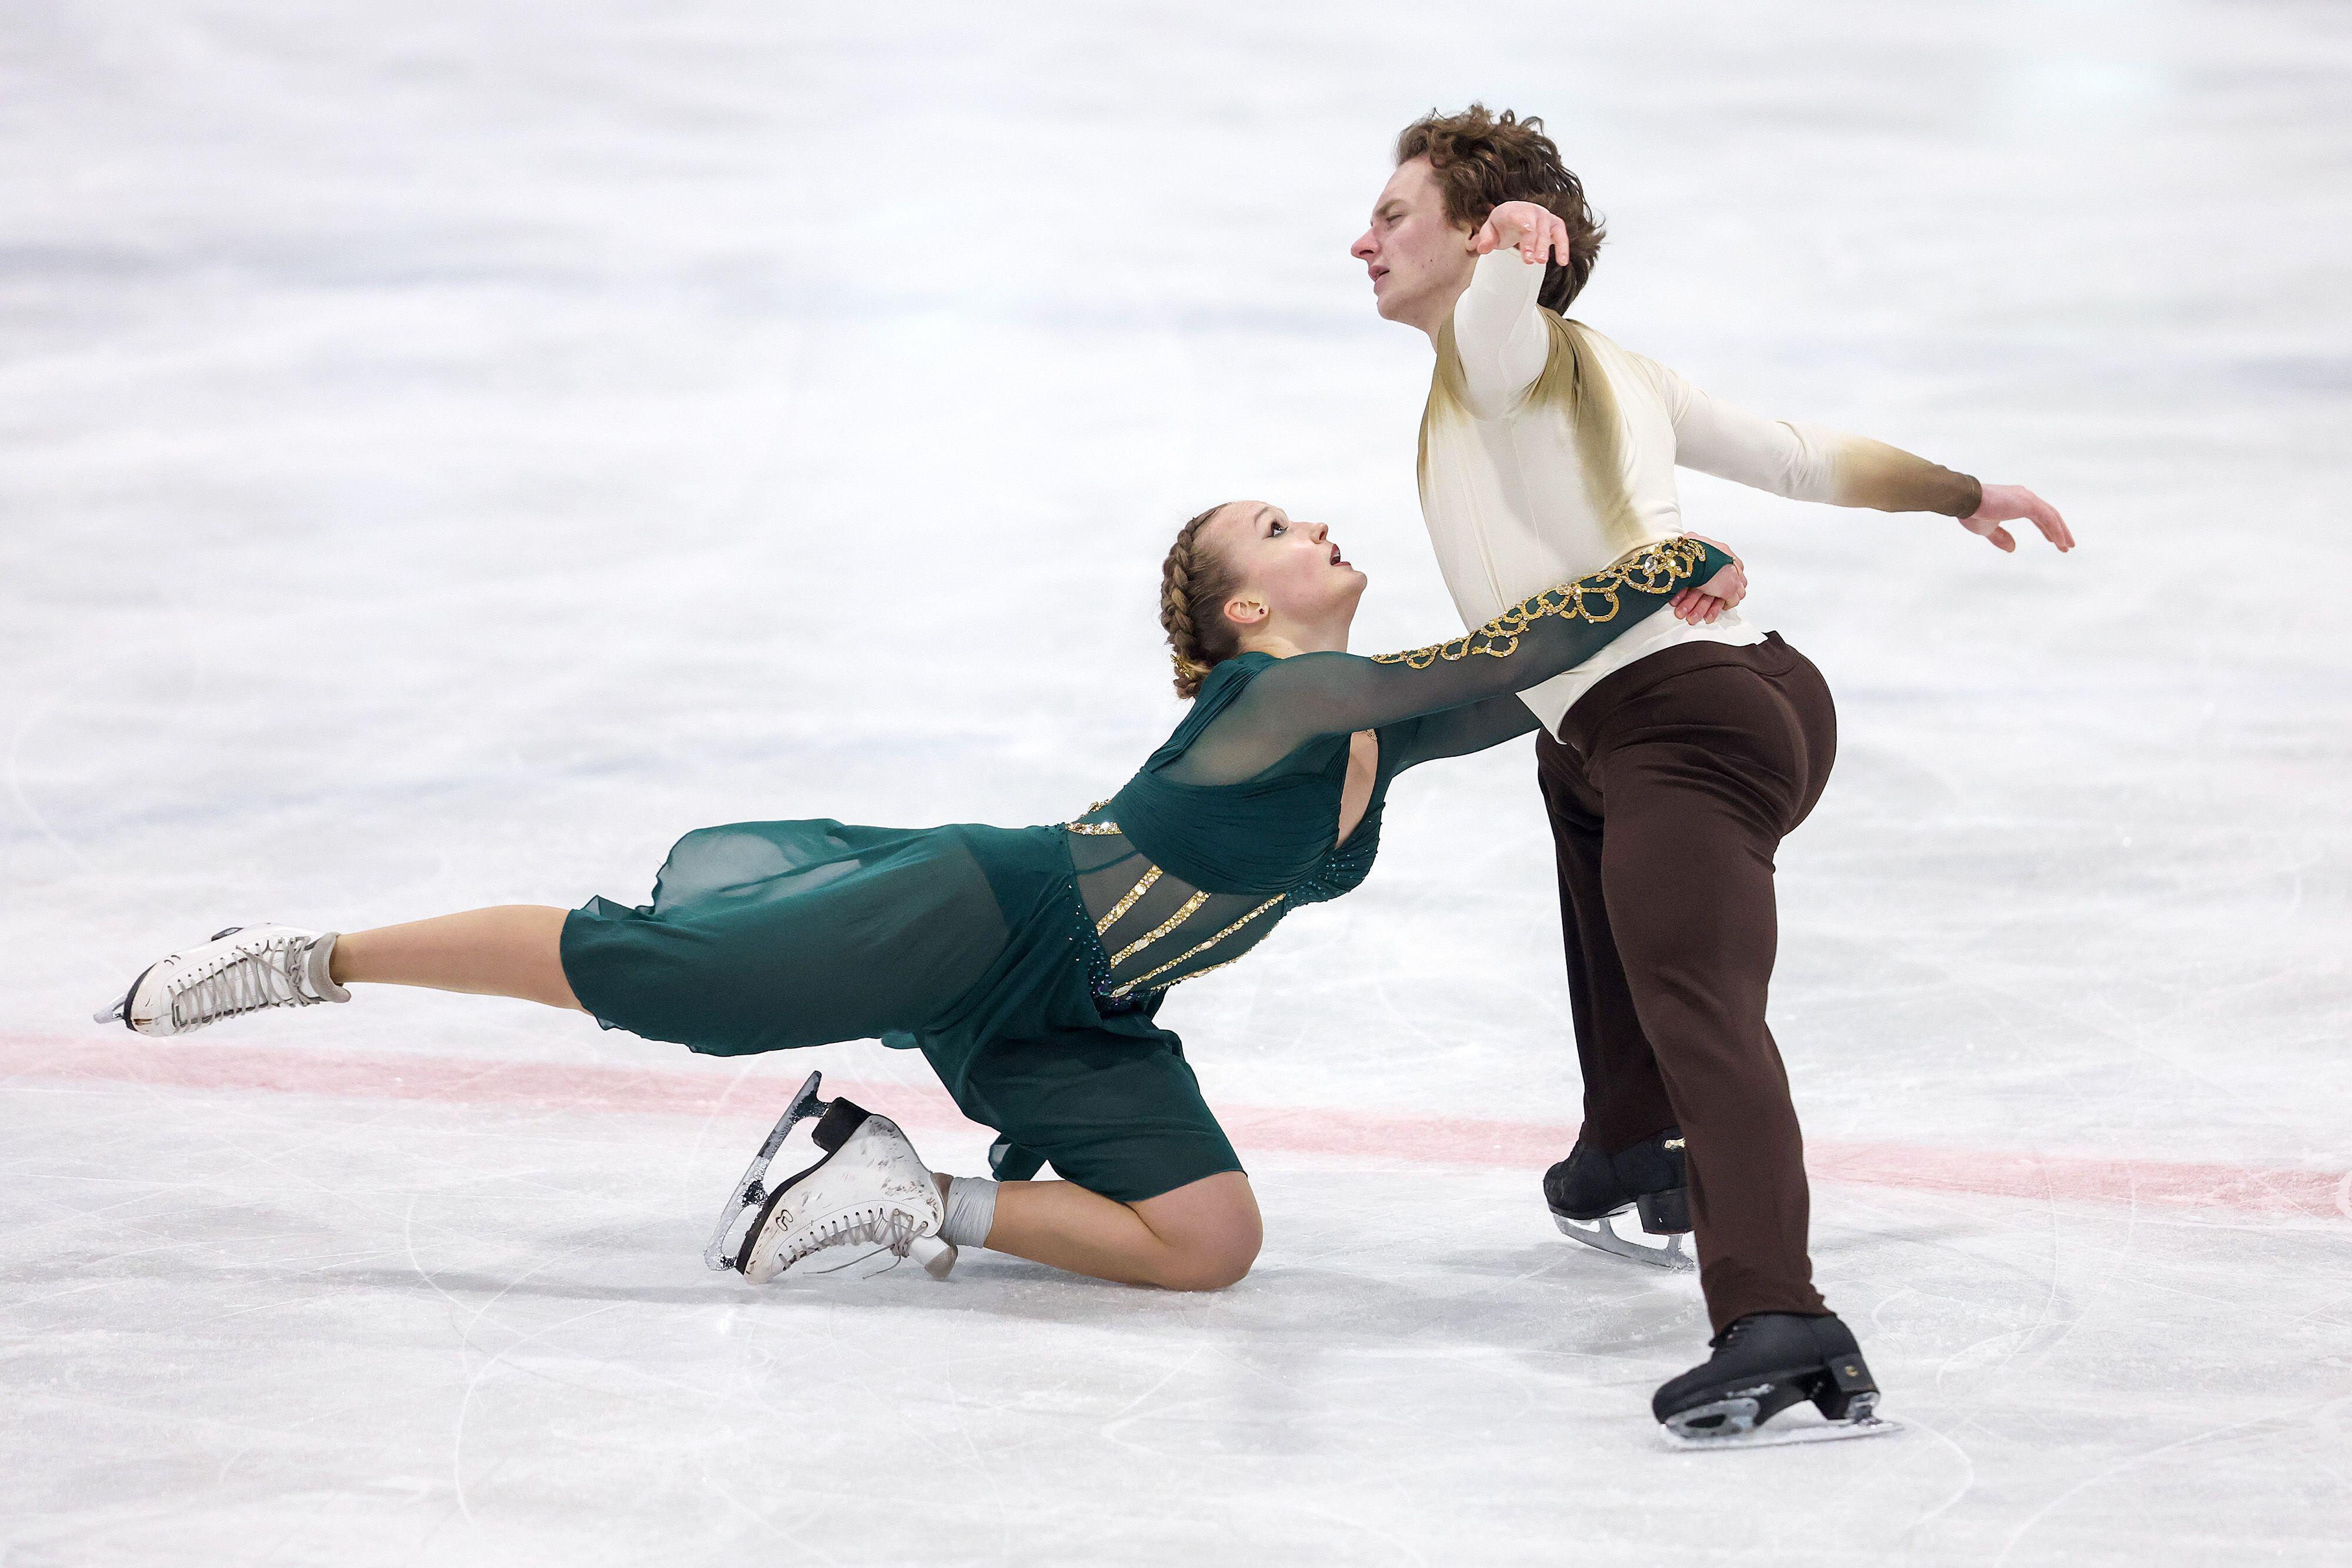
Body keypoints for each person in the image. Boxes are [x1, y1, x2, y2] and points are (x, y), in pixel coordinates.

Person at [92, 513, 1740, 1303]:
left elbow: (1526, 682)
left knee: (1209, 1242)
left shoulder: (1373, 723)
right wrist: (1669, 552)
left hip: (1082, 1008)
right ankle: (299, 955)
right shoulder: (1287, 697)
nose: (1318, 525)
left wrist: (1689, 630)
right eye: (1278, 529)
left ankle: (893, 1186)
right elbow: (1494, 656)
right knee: (656, 977)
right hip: (984, 909)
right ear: (1247, 611)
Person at [1349, 104, 2074, 1445]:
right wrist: (1959, 490)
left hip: (1680, 723)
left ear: (1476, 235)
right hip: (1735, 699)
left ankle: (1777, 1314)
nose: (1365, 241)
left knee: (1704, 1009)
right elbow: (1799, 455)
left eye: (1395, 217)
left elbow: (1501, 316)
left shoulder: (1496, 350)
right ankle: (1629, 1139)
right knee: (1571, 781)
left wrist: (1511, 247)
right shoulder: (1612, 369)